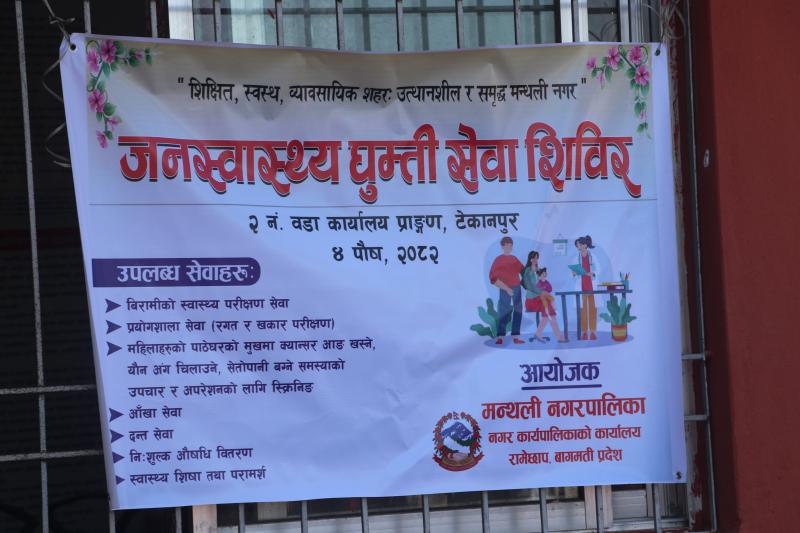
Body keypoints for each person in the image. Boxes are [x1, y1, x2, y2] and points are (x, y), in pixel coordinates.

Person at [521, 253, 565, 343]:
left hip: (540, 299)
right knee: (549, 310)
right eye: (534, 258)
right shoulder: (527, 271)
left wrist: (544, 290)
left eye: (537, 258)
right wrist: (541, 292)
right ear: (530, 259)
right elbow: (529, 286)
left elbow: (544, 283)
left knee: (548, 312)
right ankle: (558, 336)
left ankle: (539, 334)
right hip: (531, 300)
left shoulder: (539, 270)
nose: (535, 260)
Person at [488, 237, 524, 345]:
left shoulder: (514, 259)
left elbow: (524, 271)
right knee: (503, 311)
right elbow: (493, 279)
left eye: (510, 245)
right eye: (507, 245)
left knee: (518, 310)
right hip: (504, 288)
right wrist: (507, 289)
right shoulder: (498, 260)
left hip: (516, 287)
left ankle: (515, 336)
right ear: (502, 246)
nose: (509, 247)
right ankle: (501, 336)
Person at [573, 235, 598, 340]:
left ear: (584, 245)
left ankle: (592, 332)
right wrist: (574, 273)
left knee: (592, 309)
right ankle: (584, 332)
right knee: (583, 310)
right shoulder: (576, 257)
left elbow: (598, 269)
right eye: (577, 245)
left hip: (591, 286)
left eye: (578, 244)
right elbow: (574, 270)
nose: (577, 247)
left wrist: (593, 273)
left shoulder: (592, 256)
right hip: (581, 286)